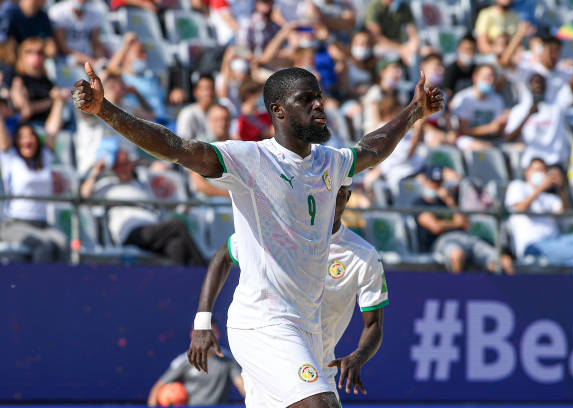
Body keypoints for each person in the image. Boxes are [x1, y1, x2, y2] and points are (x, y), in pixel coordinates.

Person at [72, 62, 442, 407]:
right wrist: (105, 110)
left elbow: (372, 149)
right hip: (264, 324)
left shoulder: (330, 162)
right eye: (306, 99)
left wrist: (414, 111)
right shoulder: (250, 160)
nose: (318, 105)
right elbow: (177, 148)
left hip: (308, 329)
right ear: (278, 110)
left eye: (319, 97)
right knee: (320, 406)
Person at [191, 185, 386, 400]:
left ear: (347, 197)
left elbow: (374, 324)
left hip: (321, 366)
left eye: (337, 191)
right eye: (322, 189)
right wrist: (202, 322)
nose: (327, 197)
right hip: (270, 353)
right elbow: (223, 255)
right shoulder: (278, 231)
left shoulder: (364, 256)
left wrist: (360, 355)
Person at [79, 149, 206, 266]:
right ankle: (205, 272)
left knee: (176, 245)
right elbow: (84, 195)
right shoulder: (107, 186)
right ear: (113, 167)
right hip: (132, 232)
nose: (122, 168)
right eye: (118, 165)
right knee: (178, 226)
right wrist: (96, 171)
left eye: (125, 163)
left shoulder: (141, 184)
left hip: (153, 229)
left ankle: (189, 285)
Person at [505, 158, 573, 277]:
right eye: (536, 170)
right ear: (527, 173)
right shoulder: (518, 186)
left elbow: (565, 213)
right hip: (533, 246)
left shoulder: (549, 197)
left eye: (543, 171)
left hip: (555, 241)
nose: (540, 173)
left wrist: (561, 188)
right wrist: (539, 189)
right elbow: (519, 208)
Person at [0, 93, 68, 262]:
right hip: (15, 223)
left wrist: (59, 101)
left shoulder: (43, 158)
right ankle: (38, 288)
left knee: (63, 242)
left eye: (30, 135)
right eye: (22, 137)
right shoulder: (11, 157)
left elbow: (52, 131)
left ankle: (63, 288)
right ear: (15, 141)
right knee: (42, 246)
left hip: (42, 224)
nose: (27, 140)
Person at [415, 165, 512, 274]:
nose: (436, 186)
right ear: (426, 181)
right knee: (457, 254)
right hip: (441, 241)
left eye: (439, 182)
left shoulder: (448, 201)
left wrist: (449, 201)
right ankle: (459, 289)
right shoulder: (420, 203)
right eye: (432, 182)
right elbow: (436, 227)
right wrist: (455, 223)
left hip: (465, 238)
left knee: (503, 260)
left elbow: (465, 224)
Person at [148, 321, 245, 406]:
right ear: (193, 335)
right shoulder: (184, 361)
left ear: (218, 334)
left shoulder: (228, 360)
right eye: (204, 334)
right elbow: (158, 388)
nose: (208, 338)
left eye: (212, 333)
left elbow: (242, 386)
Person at [503, 73, 573, 169]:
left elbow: (572, 86)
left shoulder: (556, 107)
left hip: (554, 163)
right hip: (531, 164)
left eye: (541, 83)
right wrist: (528, 115)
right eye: (535, 83)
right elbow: (510, 137)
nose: (538, 86)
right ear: (528, 86)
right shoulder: (519, 110)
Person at [450, 64, 507, 151]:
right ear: (475, 78)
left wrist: (501, 125)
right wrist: (490, 128)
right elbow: (463, 130)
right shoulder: (464, 98)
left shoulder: (497, 100)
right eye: (485, 77)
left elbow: (499, 132)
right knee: (481, 147)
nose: (489, 81)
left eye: (491, 77)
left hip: (491, 139)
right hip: (466, 139)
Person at [189, 103, 232, 199]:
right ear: (210, 121)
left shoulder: (235, 144)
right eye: (218, 120)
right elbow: (198, 183)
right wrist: (229, 195)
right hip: (206, 203)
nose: (223, 123)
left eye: (226, 119)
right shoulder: (200, 146)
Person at [48, 0, 104, 64]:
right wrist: (87, 60)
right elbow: (62, 47)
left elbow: (95, 43)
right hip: (66, 59)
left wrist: (100, 60)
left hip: (89, 57)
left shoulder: (96, 12)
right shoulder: (57, 11)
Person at [364, 0, 418, 64]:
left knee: (414, 57)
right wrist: (401, 49)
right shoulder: (373, 6)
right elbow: (376, 37)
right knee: (380, 52)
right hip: (383, 46)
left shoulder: (402, 5)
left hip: (400, 44)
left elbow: (412, 31)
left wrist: (412, 45)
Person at [176, 74, 216, 143]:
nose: (208, 93)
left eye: (211, 88)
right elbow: (183, 144)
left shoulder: (219, 113)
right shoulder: (187, 113)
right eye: (205, 89)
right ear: (196, 92)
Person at [442, 34, 476, 99]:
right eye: (466, 49)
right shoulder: (450, 70)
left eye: (472, 49)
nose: (469, 52)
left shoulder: (476, 70)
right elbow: (447, 93)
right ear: (458, 49)